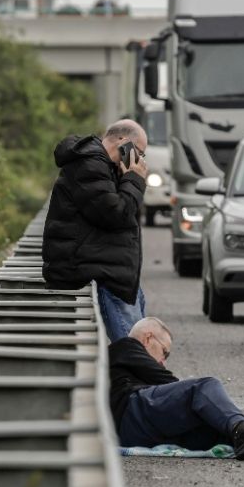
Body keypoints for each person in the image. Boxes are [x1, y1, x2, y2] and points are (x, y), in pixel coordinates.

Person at [109, 317, 244, 461]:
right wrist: (194, 395)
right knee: (203, 387)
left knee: (214, 429)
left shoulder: (128, 357)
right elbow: (169, 383)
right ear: (148, 338)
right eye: (164, 352)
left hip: (137, 430)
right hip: (132, 411)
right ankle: (243, 428)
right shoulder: (126, 346)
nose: (163, 360)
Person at [43, 119, 149, 342]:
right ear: (124, 142)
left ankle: (144, 375)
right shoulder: (89, 165)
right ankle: (138, 376)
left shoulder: (105, 167)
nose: (140, 160)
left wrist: (127, 177)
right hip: (98, 270)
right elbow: (117, 214)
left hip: (109, 267)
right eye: (139, 152)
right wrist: (135, 180)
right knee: (133, 349)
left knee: (141, 342)